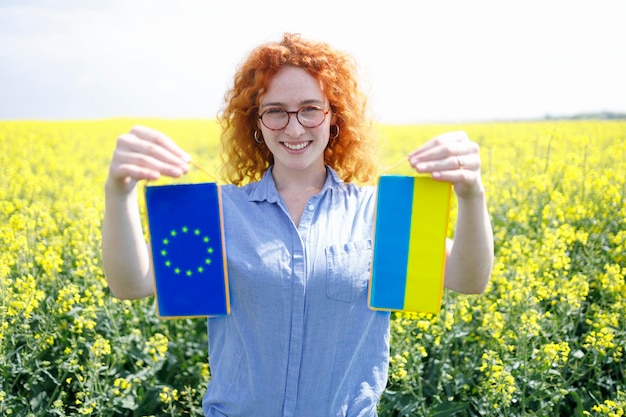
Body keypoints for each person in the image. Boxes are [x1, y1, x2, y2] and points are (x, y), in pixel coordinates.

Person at [102, 33, 494, 417]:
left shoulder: (376, 211)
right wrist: (118, 192)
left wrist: (471, 194)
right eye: (275, 111)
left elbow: (468, 279)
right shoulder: (220, 211)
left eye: (310, 108)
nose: (293, 128)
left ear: (333, 116)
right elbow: (131, 285)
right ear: (256, 122)